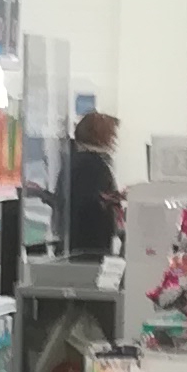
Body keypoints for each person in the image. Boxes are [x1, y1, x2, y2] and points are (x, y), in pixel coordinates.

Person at [63, 109, 122, 261]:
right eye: (111, 134)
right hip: (89, 243)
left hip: (80, 240)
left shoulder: (77, 160)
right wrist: (113, 198)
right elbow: (92, 201)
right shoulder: (91, 164)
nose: (113, 138)